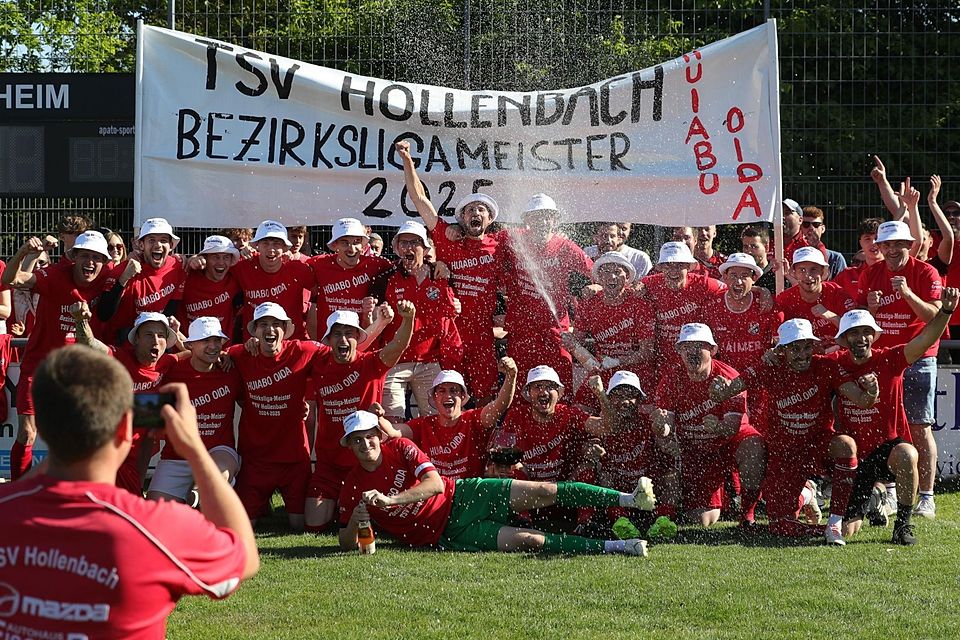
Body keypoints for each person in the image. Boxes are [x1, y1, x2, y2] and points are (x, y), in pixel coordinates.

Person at [0, 345, 258, 637]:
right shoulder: (156, 527)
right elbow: (245, 555)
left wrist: (63, 440)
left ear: (44, 429)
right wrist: (194, 446)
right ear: (126, 428)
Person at [337, 409, 655, 554]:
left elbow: (434, 485)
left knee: (545, 491)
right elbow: (345, 543)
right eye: (357, 441)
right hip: (448, 532)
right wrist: (356, 520)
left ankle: (630, 498)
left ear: (379, 436)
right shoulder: (351, 484)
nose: (366, 444)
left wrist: (391, 501)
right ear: (349, 446)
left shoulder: (401, 447)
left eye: (370, 437)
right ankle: (619, 546)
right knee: (531, 540)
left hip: (463, 494)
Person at [709, 319, 880, 538]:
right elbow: (727, 392)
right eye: (794, 348)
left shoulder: (826, 366)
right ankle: (808, 496)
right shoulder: (769, 368)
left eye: (807, 346)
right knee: (781, 527)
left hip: (819, 445)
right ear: (782, 350)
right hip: (784, 454)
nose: (802, 354)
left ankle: (834, 523)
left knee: (846, 445)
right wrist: (718, 388)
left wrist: (872, 391)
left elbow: (863, 401)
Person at [823, 294, 958, 545]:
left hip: (888, 448)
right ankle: (877, 498)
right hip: (854, 456)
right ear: (843, 339)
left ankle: (903, 525)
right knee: (849, 531)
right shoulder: (834, 364)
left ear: (874, 336)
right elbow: (801, 363)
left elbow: (927, 338)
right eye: (854, 333)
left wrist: (947, 311)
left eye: (866, 332)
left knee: (908, 453)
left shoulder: (890, 358)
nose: (861, 338)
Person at [2, 231, 117, 479]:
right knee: (27, 433)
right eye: (85, 255)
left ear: (104, 261)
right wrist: (23, 252)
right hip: (39, 366)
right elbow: (9, 279)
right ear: (73, 257)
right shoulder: (54, 275)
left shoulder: (109, 277)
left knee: (79, 434)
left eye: (97, 257)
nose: (90, 262)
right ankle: (19, 490)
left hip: (79, 370)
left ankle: (74, 489)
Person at [398, 139, 506, 401]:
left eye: (481, 210)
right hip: (450, 335)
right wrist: (407, 161)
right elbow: (419, 198)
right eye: (470, 210)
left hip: (483, 336)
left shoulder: (501, 244)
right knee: (449, 399)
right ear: (462, 218)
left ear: (490, 219)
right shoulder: (447, 239)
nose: (475, 213)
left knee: (486, 398)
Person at [857, 220, 943, 519]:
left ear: (910, 245)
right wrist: (871, 309)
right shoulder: (871, 273)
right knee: (887, 429)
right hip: (883, 358)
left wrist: (907, 294)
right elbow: (859, 323)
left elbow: (936, 316)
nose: (892, 250)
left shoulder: (925, 272)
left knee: (919, 426)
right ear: (879, 247)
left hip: (919, 357)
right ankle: (891, 491)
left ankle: (927, 496)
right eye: (886, 245)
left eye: (898, 244)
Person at [304, 304, 414, 531]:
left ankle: (348, 504)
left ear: (357, 337)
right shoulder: (319, 364)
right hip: (329, 466)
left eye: (348, 334)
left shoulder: (371, 363)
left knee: (374, 521)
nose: (343, 339)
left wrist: (408, 318)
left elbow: (399, 345)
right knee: (313, 523)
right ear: (329, 339)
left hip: (365, 465)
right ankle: (341, 503)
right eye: (337, 334)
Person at [652, 323, 765, 527]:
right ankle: (730, 491)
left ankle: (747, 516)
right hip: (698, 452)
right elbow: (666, 428)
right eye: (686, 347)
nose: (692, 353)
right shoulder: (670, 380)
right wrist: (661, 428)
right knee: (702, 521)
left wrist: (718, 427)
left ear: (713, 350)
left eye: (699, 347)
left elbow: (732, 427)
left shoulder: (728, 377)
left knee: (753, 444)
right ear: (679, 351)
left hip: (728, 444)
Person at [225, 302, 327, 530]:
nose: (270, 330)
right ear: (255, 331)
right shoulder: (241, 353)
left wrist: (376, 325)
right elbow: (215, 355)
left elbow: (344, 352)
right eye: (263, 325)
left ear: (285, 330)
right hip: (255, 459)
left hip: (293, 459)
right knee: (244, 526)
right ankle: (262, 504)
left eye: (275, 325)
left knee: (300, 525)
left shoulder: (302, 350)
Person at [72, 307, 187, 494]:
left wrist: (179, 334)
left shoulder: (166, 363)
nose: (156, 341)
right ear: (136, 340)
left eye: (161, 335)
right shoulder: (119, 357)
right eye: (149, 334)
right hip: (108, 449)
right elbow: (90, 344)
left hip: (138, 452)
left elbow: (198, 352)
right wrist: (80, 321)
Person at [499, 193, 593, 397]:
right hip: (522, 330)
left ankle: (561, 425)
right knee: (518, 386)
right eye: (536, 217)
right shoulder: (513, 238)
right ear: (527, 221)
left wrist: (598, 287)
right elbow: (481, 242)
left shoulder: (565, 246)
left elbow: (595, 271)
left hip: (555, 331)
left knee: (561, 386)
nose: (542, 221)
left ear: (555, 220)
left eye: (547, 216)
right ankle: (518, 428)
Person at [147, 317, 243, 504]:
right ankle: (194, 500)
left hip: (218, 451)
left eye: (217, 340)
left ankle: (199, 496)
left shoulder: (230, 369)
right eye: (205, 340)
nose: (213, 346)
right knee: (155, 508)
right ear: (190, 345)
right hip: (177, 456)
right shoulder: (172, 371)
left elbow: (250, 402)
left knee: (218, 474)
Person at [380, 220, 460, 423]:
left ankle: (429, 456)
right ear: (397, 248)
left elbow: (451, 315)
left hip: (429, 361)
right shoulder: (386, 277)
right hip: (395, 361)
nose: (408, 248)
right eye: (403, 243)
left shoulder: (440, 275)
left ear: (425, 248)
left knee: (435, 420)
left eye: (414, 243)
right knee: (392, 422)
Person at [394, 358, 519, 479]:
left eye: (453, 391)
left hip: (470, 491)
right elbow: (392, 432)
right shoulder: (423, 425)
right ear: (435, 398)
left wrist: (511, 376)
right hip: (438, 493)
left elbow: (500, 405)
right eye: (442, 391)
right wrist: (376, 415)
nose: (448, 395)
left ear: (462, 396)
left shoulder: (473, 419)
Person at [563, 251, 656, 410]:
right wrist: (572, 345)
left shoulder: (640, 304)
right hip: (603, 370)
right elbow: (576, 342)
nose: (612, 277)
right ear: (599, 277)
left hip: (637, 372)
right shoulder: (588, 305)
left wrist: (618, 362)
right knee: (579, 411)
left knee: (644, 415)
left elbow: (647, 351)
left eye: (617, 272)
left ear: (627, 277)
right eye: (606, 272)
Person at [98, 217, 188, 339]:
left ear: (171, 245)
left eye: (163, 240)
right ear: (141, 245)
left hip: (155, 337)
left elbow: (171, 308)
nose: (158, 245)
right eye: (151, 240)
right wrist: (124, 278)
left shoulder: (178, 266)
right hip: (122, 341)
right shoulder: (122, 270)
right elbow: (104, 314)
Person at [641, 241, 724, 369]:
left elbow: (734, 290)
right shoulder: (650, 283)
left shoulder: (703, 284)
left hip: (695, 358)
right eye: (668, 265)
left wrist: (760, 291)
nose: (673, 271)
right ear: (661, 268)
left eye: (679, 265)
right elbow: (625, 290)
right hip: (664, 362)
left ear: (688, 266)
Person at [232, 220, 317, 340]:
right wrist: (198, 260)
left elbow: (319, 295)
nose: (271, 249)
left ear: (285, 248)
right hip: (255, 345)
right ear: (257, 246)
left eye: (276, 244)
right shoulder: (243, 266)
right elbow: (214, 270)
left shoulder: (298, 269)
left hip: (293, 344)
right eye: (265, 243)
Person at [309, 217, 393, 331]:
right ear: (335, 245)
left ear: (363, 245)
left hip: (363, 341)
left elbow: (403, 268)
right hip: (329, 342)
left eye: (356, 242)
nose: (351, 249)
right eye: (345, 243)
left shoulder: (377, 265)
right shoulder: (318, 264)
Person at [776, 246, 854, 352]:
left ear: (823, 272)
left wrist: (832, 317)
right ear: (794, 273)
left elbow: (855, 334)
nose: (808, 276)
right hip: (804, 361)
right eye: (802, 270)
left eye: (813, 269)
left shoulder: (837, 293)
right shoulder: (784, 299)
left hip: (839, 359)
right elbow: (778, 341)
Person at [179, 234, 243, 339]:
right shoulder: (187, 276)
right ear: (205, 258)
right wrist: (183, 258)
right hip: (188, 350)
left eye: (226, 257)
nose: (221, 263)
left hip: (221, 351)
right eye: (215, 257)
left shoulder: (234, 279)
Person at [833, 217, 884, 298]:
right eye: (867, 239)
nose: (873, 243)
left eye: (877, 238)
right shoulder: (848, 275)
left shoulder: (896, 270)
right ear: (861, 243)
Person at [584, 222, 652, 277]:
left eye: (612, 236)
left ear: (618, 238)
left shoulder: (640, 258)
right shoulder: (587, 253)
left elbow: (647, 285)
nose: (608, 240)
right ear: (595, 237)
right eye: (604, 236)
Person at [799, 206, 845, 280]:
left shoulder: (836, 259)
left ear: (823, 229)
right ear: (800, 228)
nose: (811, 228)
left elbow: (842, 288)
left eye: (816, 224)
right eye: (806, 224)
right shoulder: (794, 255)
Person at [781, 198, 828, 263]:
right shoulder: (770, 241)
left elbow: (823, 271)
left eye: (787, 213)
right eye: (780, 213)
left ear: (800, 220)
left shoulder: (809, 244)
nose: (782, 217)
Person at [739, 226, 778, 292]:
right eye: (745, 247)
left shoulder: (776, 274)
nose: (749, 251)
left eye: (754, 247)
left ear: (766, 247)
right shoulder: (739, 274)